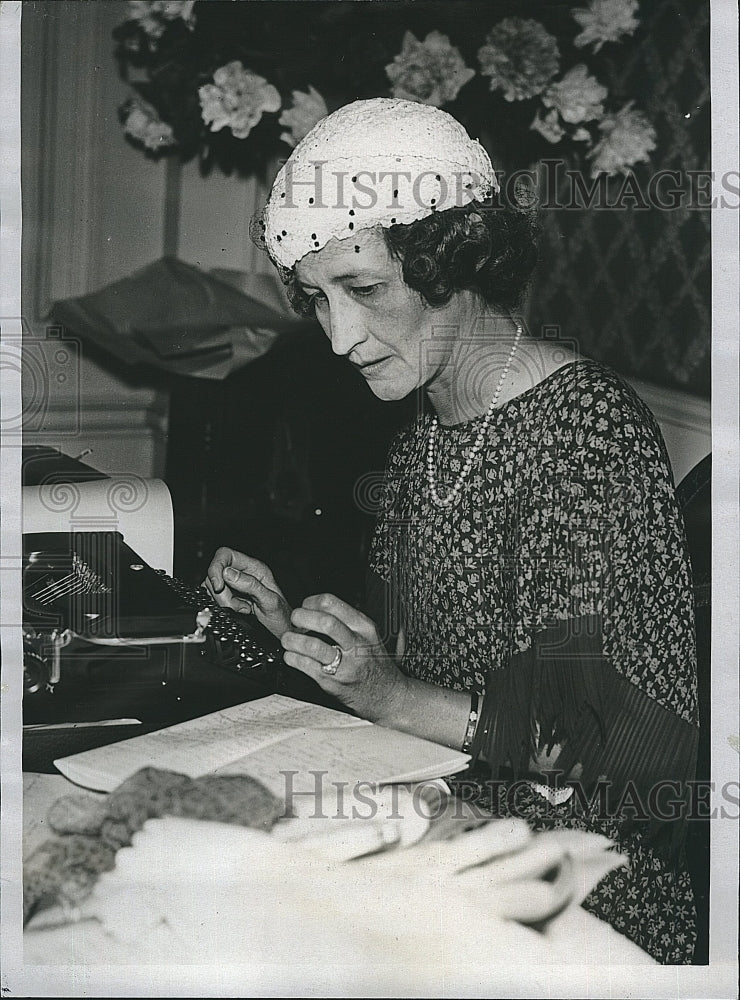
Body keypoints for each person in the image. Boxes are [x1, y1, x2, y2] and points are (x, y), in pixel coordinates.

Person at [204, 99, 699, 964]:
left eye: (364, 290)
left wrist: (388, 695)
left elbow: (630, 751)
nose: (339, 337)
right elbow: (432, 681)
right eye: (318, 299)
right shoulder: (424, 432)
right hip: (449, 818)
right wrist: (317, 643)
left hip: (585, 883)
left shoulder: (586, 434)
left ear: (456, 261)